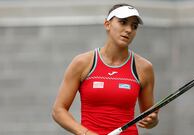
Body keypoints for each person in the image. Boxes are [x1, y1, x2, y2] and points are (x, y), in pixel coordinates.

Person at [52, 3, 159, 135]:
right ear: (107, 24)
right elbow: (58, 110)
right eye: (123, 22)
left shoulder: (144, 68)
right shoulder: (82, 62)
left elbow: (149, 117)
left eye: (134, 26)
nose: (129, 30)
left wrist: (152, 121)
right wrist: (85, 133)